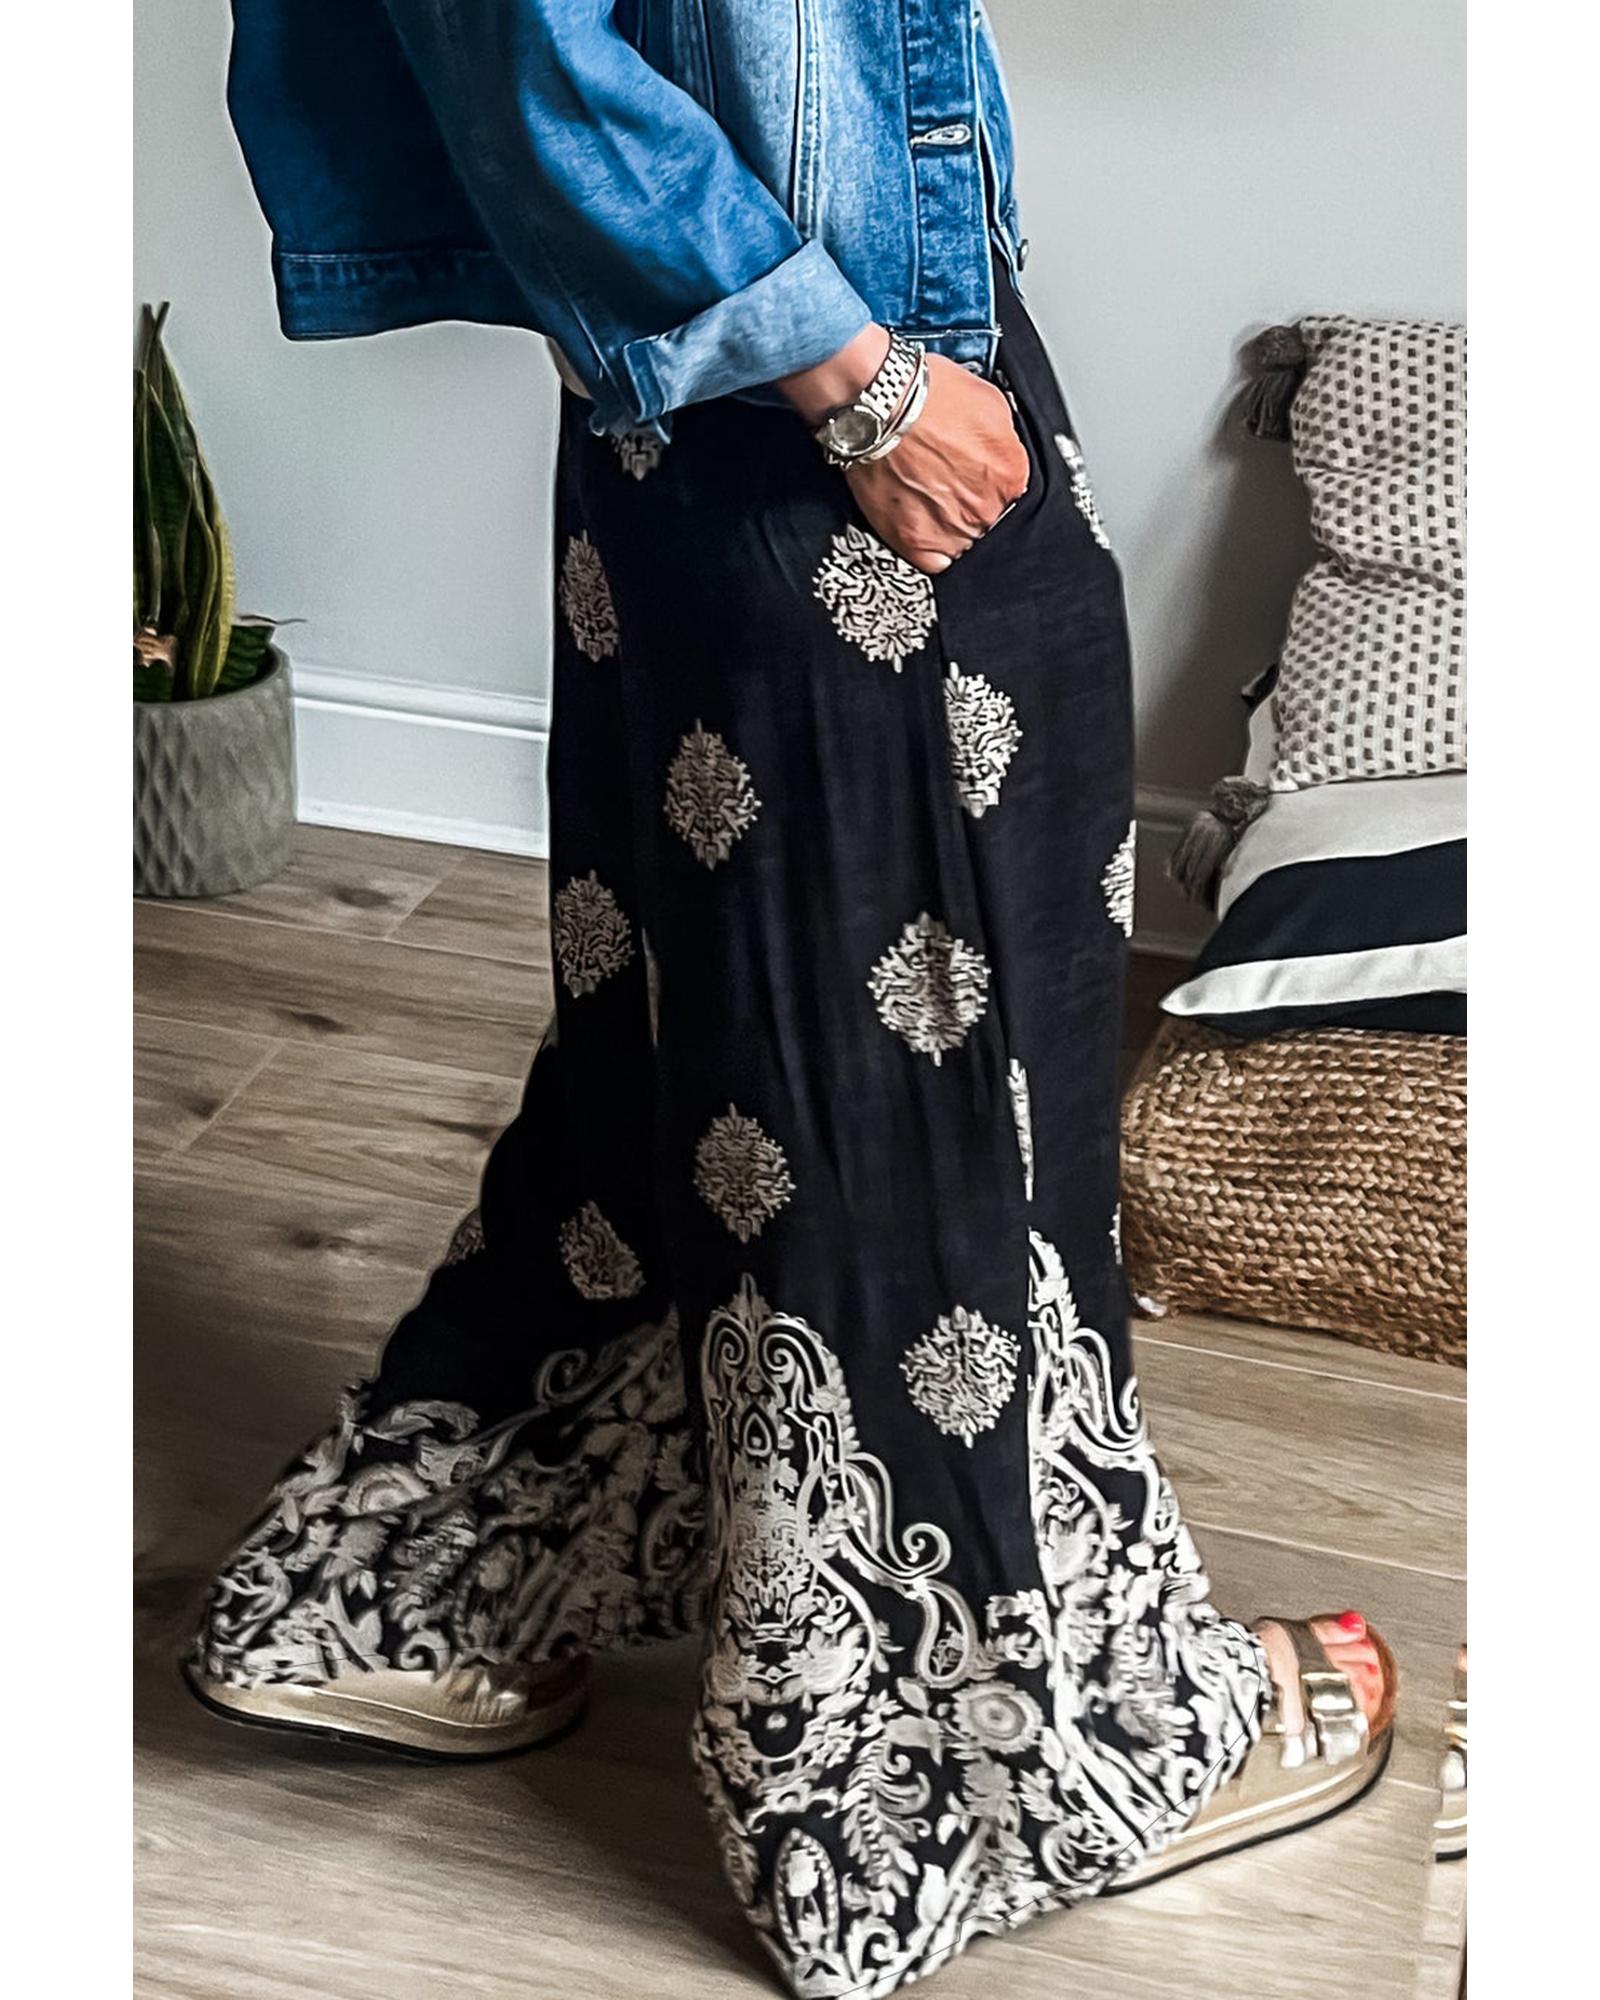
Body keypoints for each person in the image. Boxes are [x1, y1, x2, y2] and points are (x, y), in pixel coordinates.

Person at [187, 4, 1397, 1992]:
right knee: (916, 1038)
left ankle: (436, 1578)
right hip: (796, 337)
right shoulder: (823, 353)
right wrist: (853, 377)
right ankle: (961, 1768)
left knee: (687, 1030)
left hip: (724, 325)